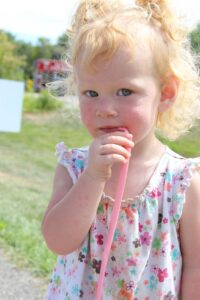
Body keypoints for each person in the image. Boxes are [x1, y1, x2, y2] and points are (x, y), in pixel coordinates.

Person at [42, 0, 200, 299]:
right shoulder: (74, 167)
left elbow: (196, 267)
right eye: (91, 93)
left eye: (125, 92)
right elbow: (58, 241)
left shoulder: (181, 181)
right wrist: (92, 177)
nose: (105, 109)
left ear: (165, 94)